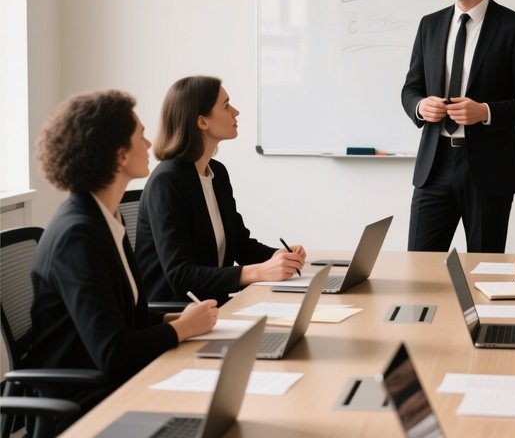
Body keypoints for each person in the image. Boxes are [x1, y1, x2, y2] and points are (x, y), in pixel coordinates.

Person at [27, 90, 218, 413]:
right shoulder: (78, 235)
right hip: (86, 405)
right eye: (141, 136)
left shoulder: (104, 217)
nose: (148, 146)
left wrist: (174, 318)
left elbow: (118, 316)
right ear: (119, 155)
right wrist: (182, 328)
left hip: (119, 384)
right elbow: (114, 351)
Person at [401, 0, 515, 253]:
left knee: (484, 270)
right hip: (434, 165)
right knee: (419, 267)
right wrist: (420, 106)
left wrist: (486, 112)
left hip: (489, 169)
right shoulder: (430, 25)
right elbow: (411, 89)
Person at [135, 76, 306, 305]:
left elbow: (240, 245)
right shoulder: (167, 182)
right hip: (179, 314)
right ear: (202, 122)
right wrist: (260, 272)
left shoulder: (216, 173)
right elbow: (180, 276)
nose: (235, 112)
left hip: (214, 306)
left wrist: (279, 256)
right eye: (226, 106)